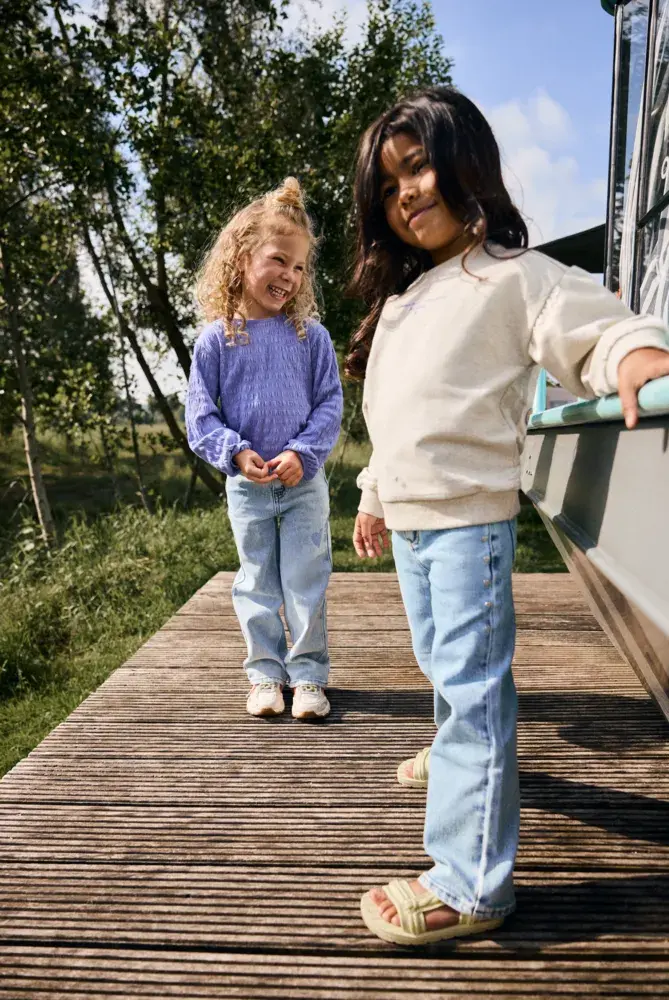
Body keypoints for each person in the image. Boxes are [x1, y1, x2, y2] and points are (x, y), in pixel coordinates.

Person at [346, 87, 669, 946]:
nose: (405, 192)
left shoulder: (513, 274)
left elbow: (590, 328)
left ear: (466, 164)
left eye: (417, 167)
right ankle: (463, 756)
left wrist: (633, 353)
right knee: (441, 665)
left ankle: (469, 881)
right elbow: (393, 417)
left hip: (466, 525)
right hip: (413, 519)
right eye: (387, 185)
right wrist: (374, 495)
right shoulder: (407, 302)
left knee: (470, 684)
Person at [186, 177, 343, 721]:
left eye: (300, 268)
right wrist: (234, 452)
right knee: (256, 579)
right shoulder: (217, 340)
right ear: (241, 257)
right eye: (279, 260)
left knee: (305, 577)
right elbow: (200, 416)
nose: (290, 276)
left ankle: (307, 677)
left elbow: (329, 404)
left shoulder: (310, 337)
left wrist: (304, 451)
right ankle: (264, 675)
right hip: (248, 488)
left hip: (303, 485)